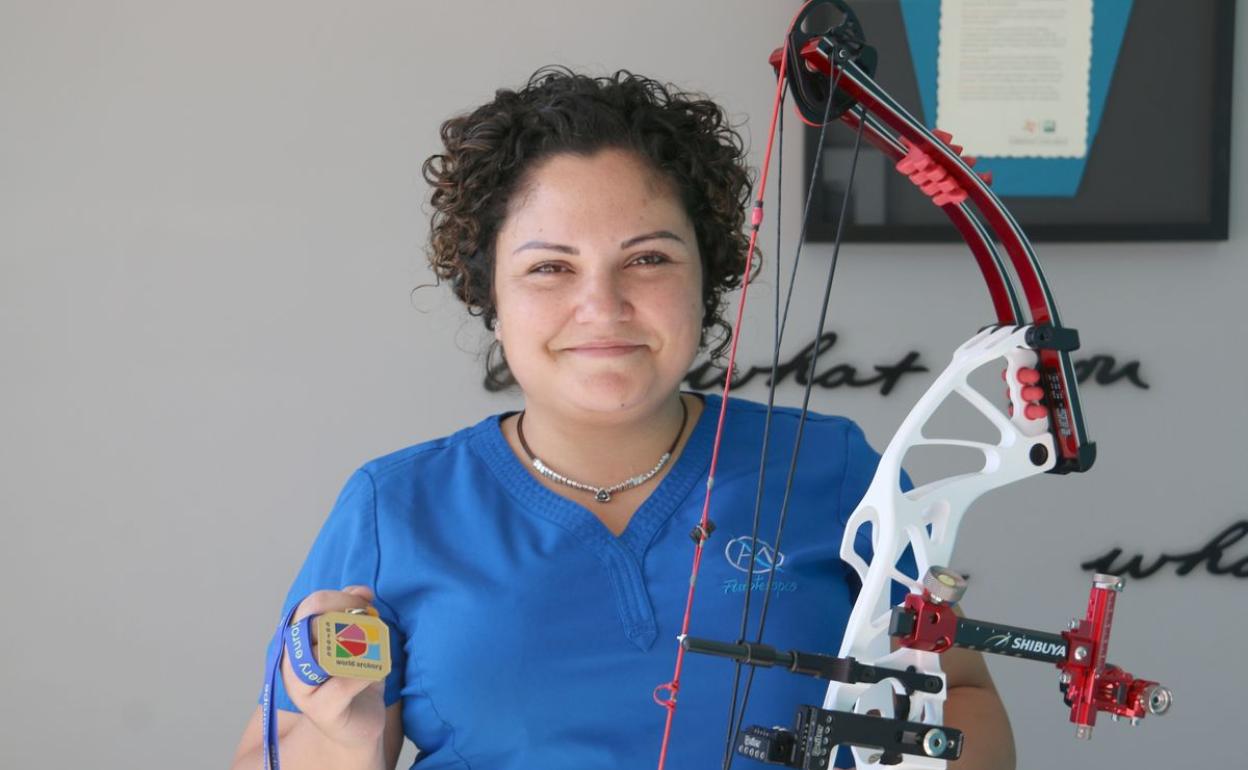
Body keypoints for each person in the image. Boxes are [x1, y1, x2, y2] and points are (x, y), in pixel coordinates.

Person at [230, 67, 1016, 770]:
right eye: (549, 268)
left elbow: (964, 699)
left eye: (648, 259)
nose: (601, 307)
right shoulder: (392, 507)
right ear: (488, 294)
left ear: (709, 274)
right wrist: (345, 738)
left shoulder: (836, 469)